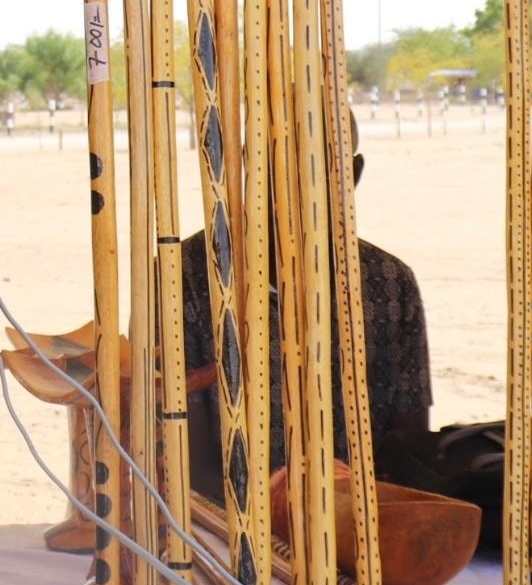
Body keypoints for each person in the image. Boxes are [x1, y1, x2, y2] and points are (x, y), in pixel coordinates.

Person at [180, 109, 431, 500]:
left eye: (318, 167)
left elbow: (409, 455)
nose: (295, 185)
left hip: (359, 530)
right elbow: (183, 466)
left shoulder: (390, 283)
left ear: (354, 174)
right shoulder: (187, 276)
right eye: (277, 166)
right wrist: (280, 508)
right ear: (248, 168)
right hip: (226, 534)